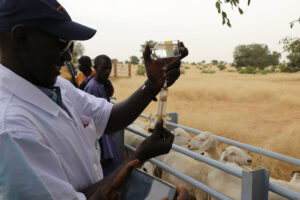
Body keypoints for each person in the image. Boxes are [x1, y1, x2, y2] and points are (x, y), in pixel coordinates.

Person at [0, 0, 189, 199]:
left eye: (71, 46)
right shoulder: (12, 129)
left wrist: (151, 84)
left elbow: (108, 118)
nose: (68, 57)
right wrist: (139, 155)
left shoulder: (57, 86)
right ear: (21, 38)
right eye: (62, 42)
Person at [84, 55, 120, 177]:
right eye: (104, 68)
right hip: (101, 139)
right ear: (95, 68)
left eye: (109, 68)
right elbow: (91, 120)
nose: (107, 72)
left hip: (107, 135)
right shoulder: (92, 88)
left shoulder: (103, 85)